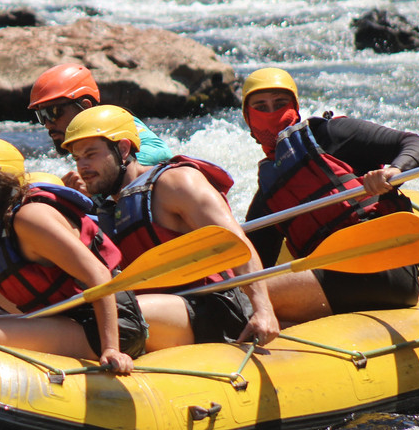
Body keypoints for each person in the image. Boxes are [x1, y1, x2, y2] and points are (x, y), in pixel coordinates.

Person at [63, 105, 279, 351]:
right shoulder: (110, 207)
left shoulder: (175, 182)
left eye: (91, 154)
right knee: (96, 311)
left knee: (115, 318)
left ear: (123, 149)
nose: (82, 167)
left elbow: (236, 243)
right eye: (77, 158)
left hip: (216, 306)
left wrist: (263, 310)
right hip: (162, 309)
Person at [0, 137, 147, 374]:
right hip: (70, 321)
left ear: (2, 185)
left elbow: (98, 274)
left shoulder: (29, 218)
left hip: (111, 325)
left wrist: (111, 349)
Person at [240, 67, 419, 322]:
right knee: (246, 296)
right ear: (248, 119)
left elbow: (417, 144)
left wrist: (393, 171)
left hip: (385, 267)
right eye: (261, 106)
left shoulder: (331, 134)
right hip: (332, 276)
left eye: (280, 102)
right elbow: (251, 266)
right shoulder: (268, 193)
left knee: (249, 302)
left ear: (295, 107)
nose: (272, 112)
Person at [27, 62, 172, 191]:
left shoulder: (118, 122)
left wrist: (92, 181)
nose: (47, 124)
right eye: (41, 115)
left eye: (53, 112)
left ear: (85, 106)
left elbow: (159, 153)